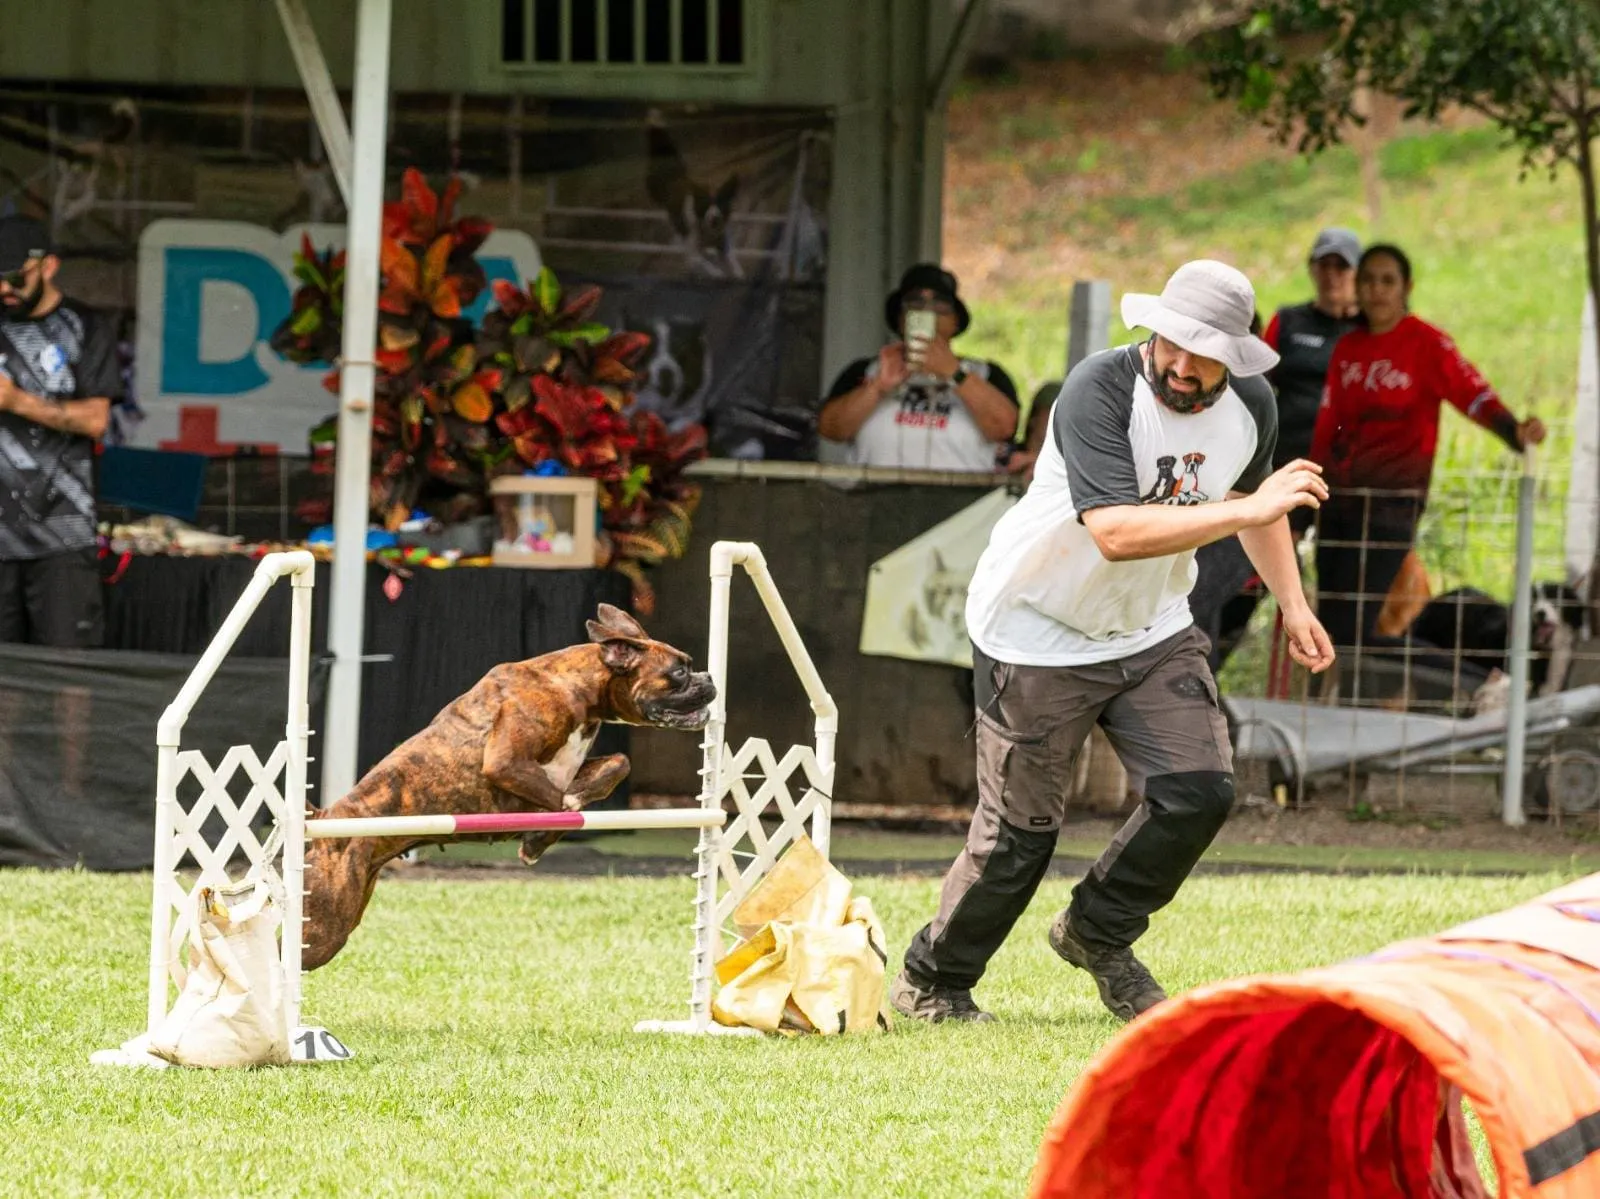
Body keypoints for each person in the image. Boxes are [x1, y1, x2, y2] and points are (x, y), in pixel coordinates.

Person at [890, 260, 1335, 1025]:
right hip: (1037, 627)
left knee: (1199, 790)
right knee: (1020, 838)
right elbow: (1117, 531)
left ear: (1235, 357)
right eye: (1171, 343)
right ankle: (933, 979)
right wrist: (1249, 508)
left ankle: (1097, 930)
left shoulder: (1252, 404)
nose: (1182, 365)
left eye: (1204, 355)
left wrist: (1293, 604)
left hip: (1149, 626)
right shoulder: (1098, 388)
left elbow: (1254, 504)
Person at [1309, 243, 1545, 672]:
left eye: (1388, 281)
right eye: (1368, 280)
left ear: (1407, 287)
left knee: (1354, 632)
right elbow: (1329, 429)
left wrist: (1513, 430)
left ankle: (1478, 681)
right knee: (1328, 628)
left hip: (1393, 505)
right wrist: (1309, 493)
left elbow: (1473, 395)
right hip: (1337, 505)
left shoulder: (1426, 343)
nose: (1377, 290)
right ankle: (1348, 705)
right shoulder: (1348, 349)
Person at [1190, 229, 1363, 672]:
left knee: (1345, 594)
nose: (1332, 276)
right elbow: (1255, 380)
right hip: (1279, 471)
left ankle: (1333, 680)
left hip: (1348, 481)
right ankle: (1207, 663)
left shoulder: (1370, 332)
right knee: (1246, 580)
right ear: (1312, 269)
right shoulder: (1289, 322)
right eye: (1324, 265)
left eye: (1341, 267)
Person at [0, 215, 118, 647]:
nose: (5, 288)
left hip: (62, 534)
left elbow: (96, 420)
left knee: (68, 668)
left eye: (16, 277)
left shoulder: (84, 325)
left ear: (48, 266)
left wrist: (17, 401)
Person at [817, 264, 1019, 471]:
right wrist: (876, 388)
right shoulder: (868, 370)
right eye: (915, 302)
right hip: (876, 491)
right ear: (900, 319)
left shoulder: (985, 374)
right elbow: (830, 429)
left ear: (955, 322)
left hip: (961, 492)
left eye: (940, 304)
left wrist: (954, 373)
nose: (927, 310)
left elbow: (1004, 428)